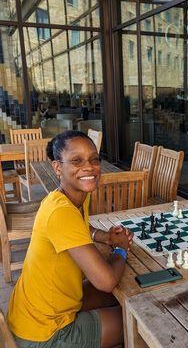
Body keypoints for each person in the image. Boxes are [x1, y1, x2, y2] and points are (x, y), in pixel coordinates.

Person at [7, 130, 133, 348]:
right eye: (76, 161)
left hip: (38, 311)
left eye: (94, 159)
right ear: (57, 167)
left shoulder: (69, 195)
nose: (89, 167)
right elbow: (106, 281)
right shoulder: (61, 211)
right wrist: (120, 249)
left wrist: (103, 236)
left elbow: (82, 226)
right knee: (135, 322)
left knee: (121, 300)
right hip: (45, 334)